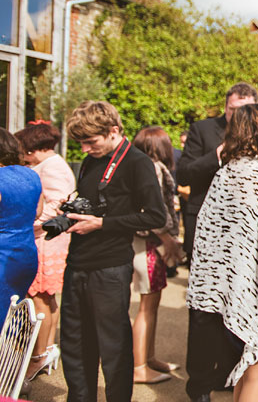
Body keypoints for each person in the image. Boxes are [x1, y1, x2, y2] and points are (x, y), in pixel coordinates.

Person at [186, 104, 258, 402]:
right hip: (256, 291)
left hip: (225, 295)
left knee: (242, 369)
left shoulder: (223, 175)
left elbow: (208, 236)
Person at [61, 101, 167, 402]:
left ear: (114, 131)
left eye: (90, 142)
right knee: (75, 345)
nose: (84, 149)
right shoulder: (94, 159)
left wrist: (101, 223)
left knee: (114, 349)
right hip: (78, 262)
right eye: (81, 142)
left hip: (109, 267)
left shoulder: (137, 162)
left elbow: (156, 217)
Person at [16, 121, 76, 381]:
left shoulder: (51, 167)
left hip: (46, 240)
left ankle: (39, 354)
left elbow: (57, 204)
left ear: (35, 148)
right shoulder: (52, 164)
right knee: (47, 297)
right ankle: (46, 349)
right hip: (49, 238)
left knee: (40, 295)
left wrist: (32, 222)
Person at [178, 82, 258, 261]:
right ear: (225, 107)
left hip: (246, 229)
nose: (239, 116)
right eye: (233, 109)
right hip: (206, 225)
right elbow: (183, 175)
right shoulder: (202, 129)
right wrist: (216, 156)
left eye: (245, 110)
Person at [130, 126, 183, 385]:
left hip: (149, 242)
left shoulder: (143, 167)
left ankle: (148, 358)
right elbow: (151, 209)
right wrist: (167, 239)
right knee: (147, 307)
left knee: (151, 305)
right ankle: (139, 365)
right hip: (149, 243)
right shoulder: (153, 169)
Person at [0, 128, 42, 313]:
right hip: (25, 255)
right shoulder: (31, 175)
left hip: (3, 257)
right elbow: (38, 212)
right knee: (11, 312)